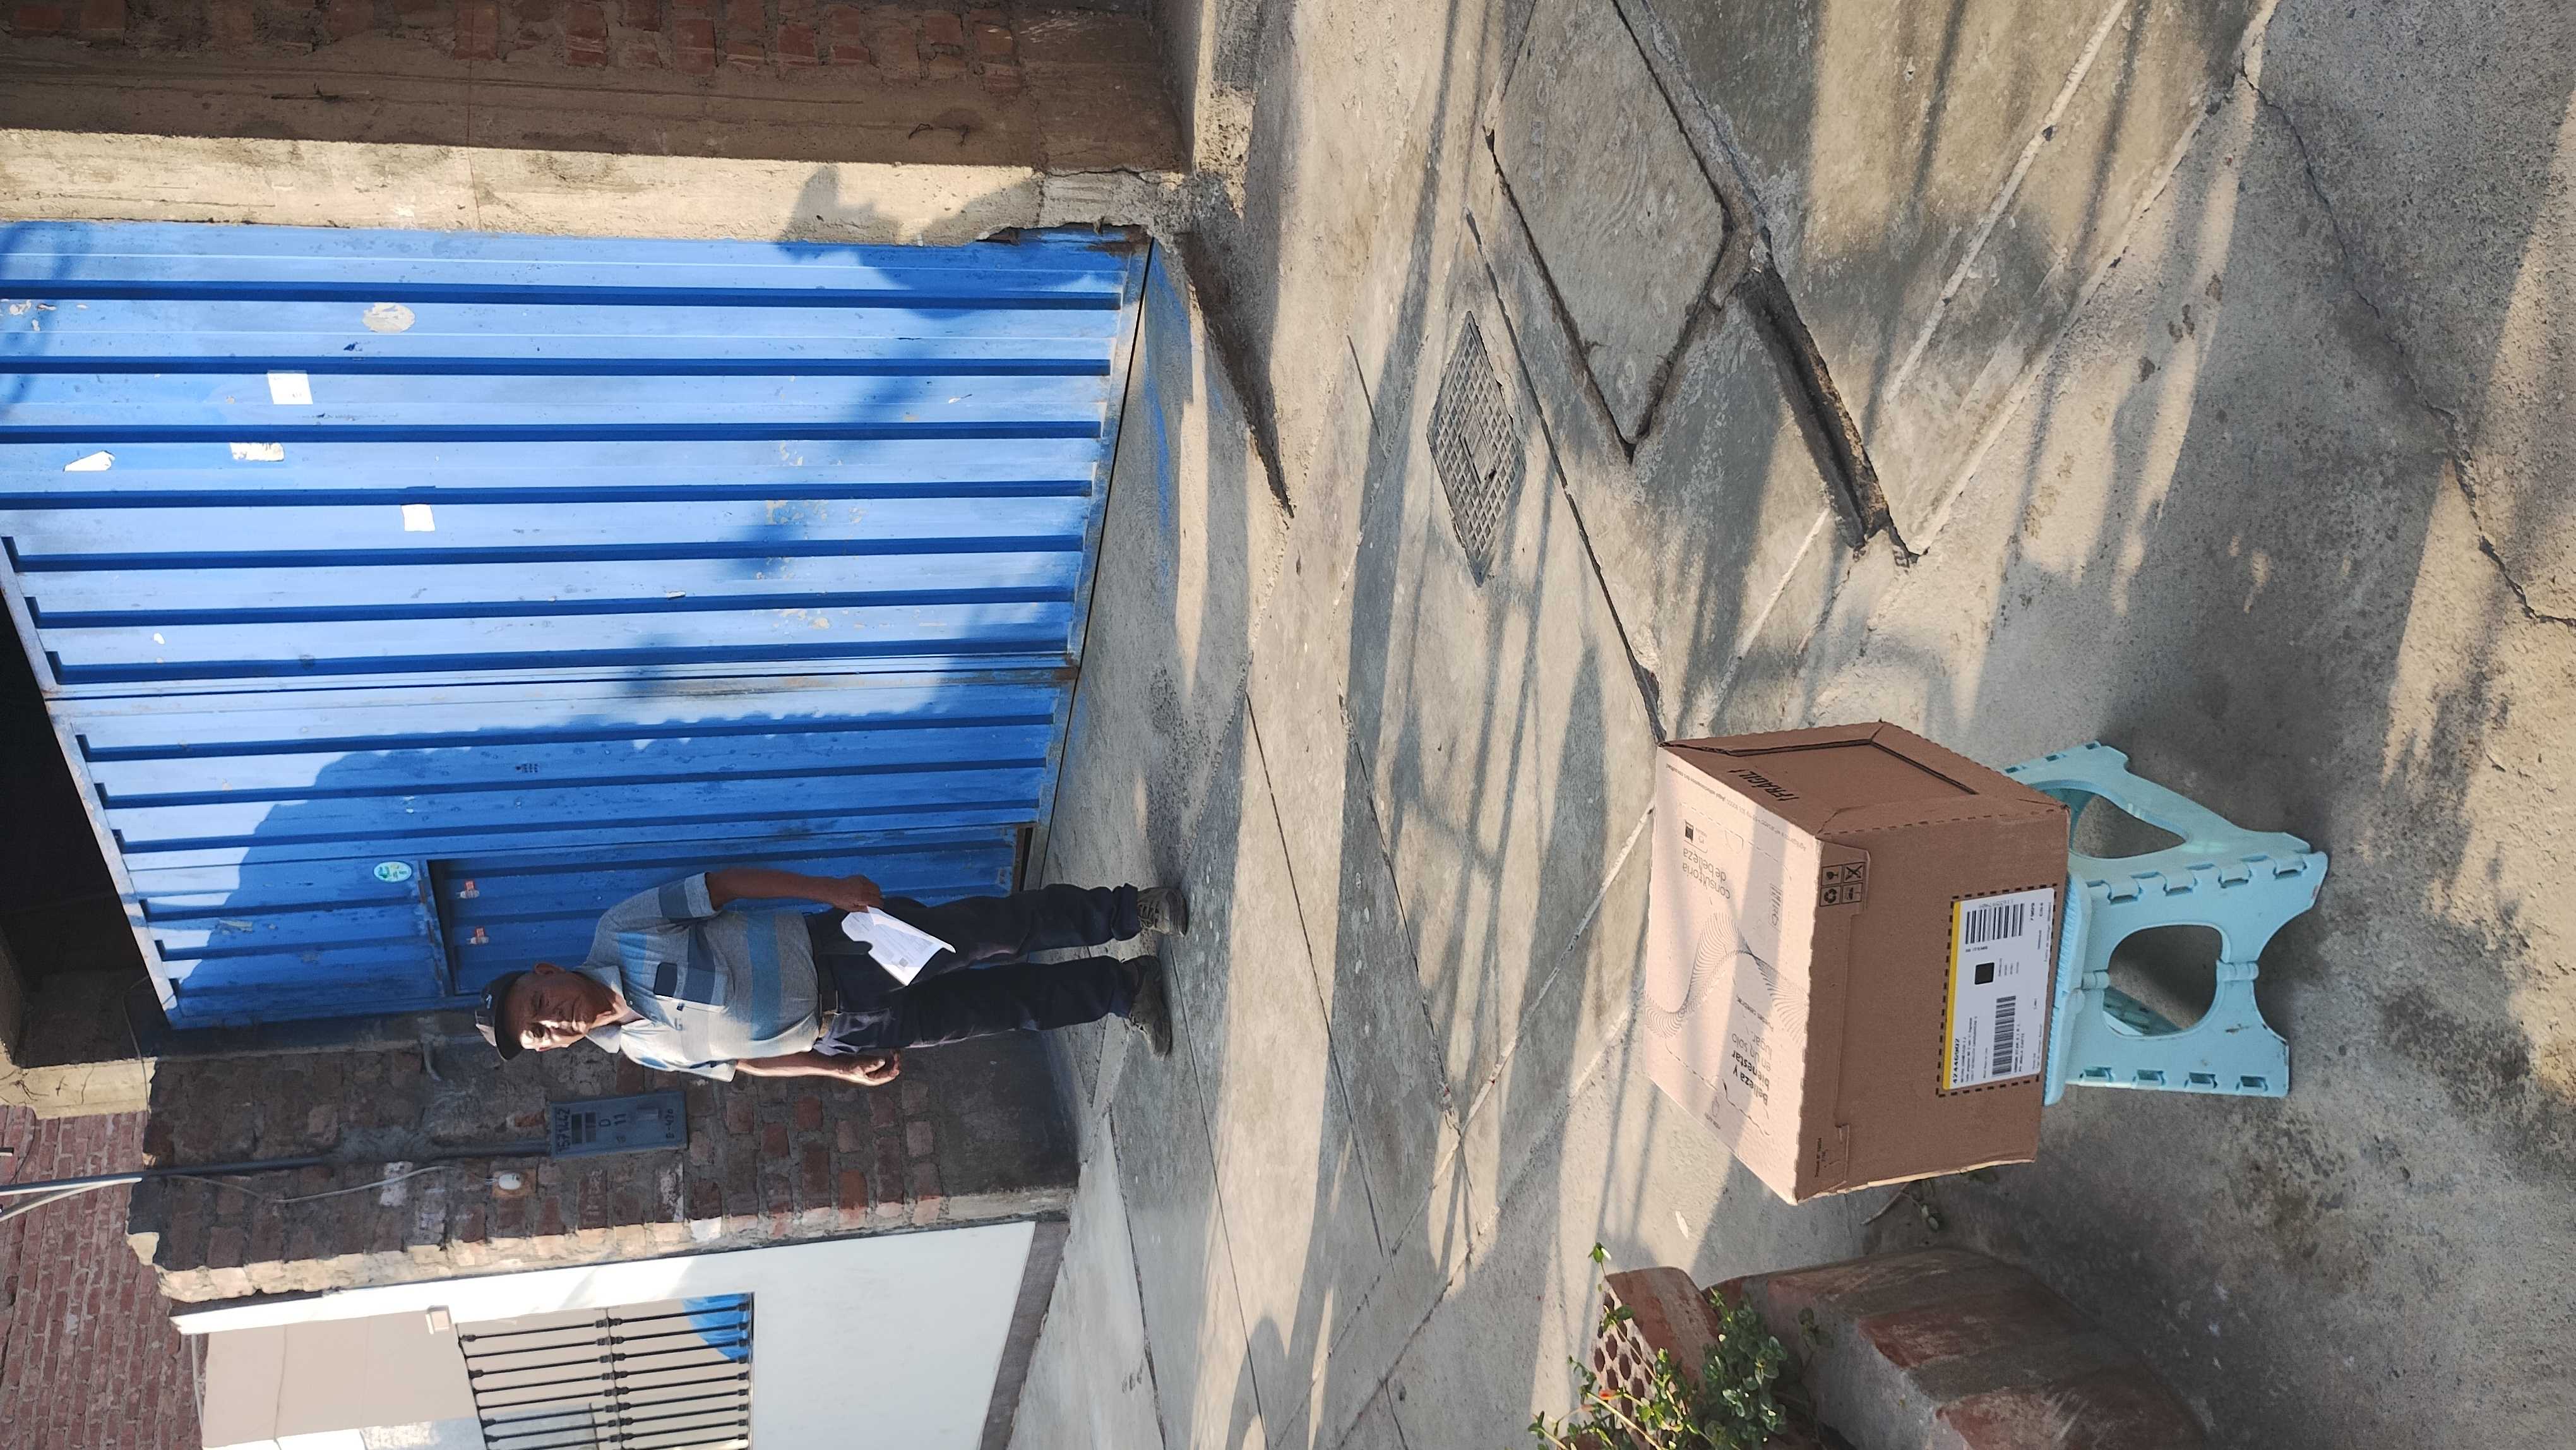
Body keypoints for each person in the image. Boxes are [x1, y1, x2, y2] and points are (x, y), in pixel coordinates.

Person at [472, 866, 1184, 1084]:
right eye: (540, 1034)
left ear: (545, 971)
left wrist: (830, 891)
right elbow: (745, 1063)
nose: (552, 1020)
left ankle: (1130, 911)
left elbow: (722, 886)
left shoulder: (620, 929)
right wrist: (834, 1071)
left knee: (994, 931)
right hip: (845, 1029)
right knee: (1001, 1009)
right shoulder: (639, 1051)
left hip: (841, 950)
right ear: (552, 1049)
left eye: (538, 1004)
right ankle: (1126, 991)